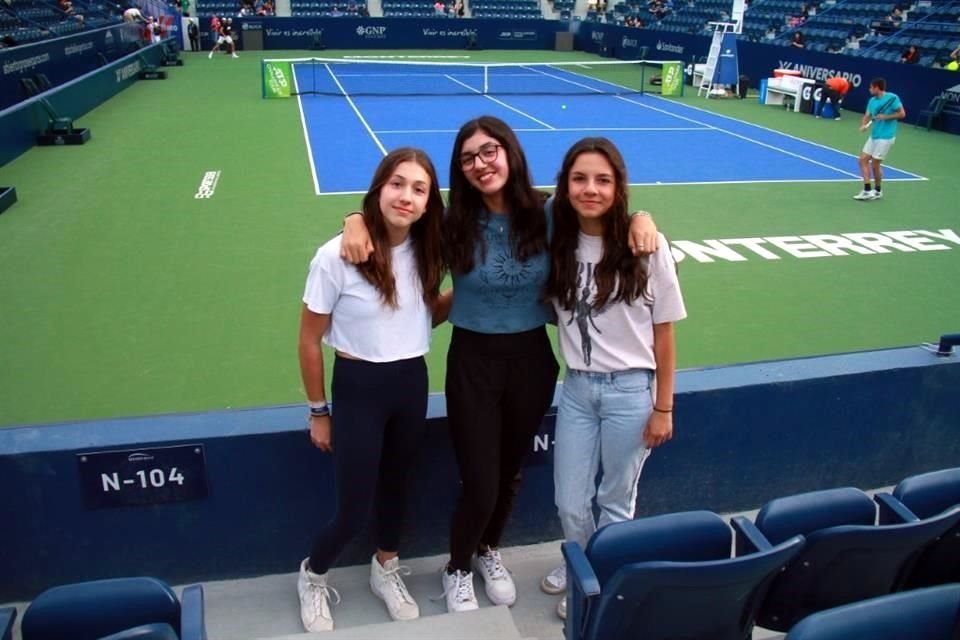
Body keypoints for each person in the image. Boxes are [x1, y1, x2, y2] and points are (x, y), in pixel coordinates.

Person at [341, 115, 660, 614]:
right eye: (468, 158)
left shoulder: (550, 214)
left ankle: (489, 549)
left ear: (509, 152)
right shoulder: (451, 223)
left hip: (532, 360)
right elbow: (395, 216)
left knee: (510, 472)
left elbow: (605, 214)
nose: (480, 164)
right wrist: (354, 220)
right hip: (473, 361)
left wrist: (643, 217)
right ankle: (458, 567)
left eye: (489, 151)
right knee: (481, 479)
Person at [296, 148, 449, 632]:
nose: (406, 196)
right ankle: (313, 574)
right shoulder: (335, 255)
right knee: (353, 509)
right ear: (379, 188)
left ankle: (385, 569)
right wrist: (320, 411)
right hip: (359, 387)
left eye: (419, 189)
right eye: (397, 184)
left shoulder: (431, 250)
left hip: (411, 381)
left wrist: (464, 290)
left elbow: (426, 315)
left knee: (398, 490)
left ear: (429, 203)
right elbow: (307, 339)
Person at [539, 138, 685, 620]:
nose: (590, 189)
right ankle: (579, 560)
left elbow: (663, 332)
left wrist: (663, 406)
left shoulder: (646, 244)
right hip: (577, 389)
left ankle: (601, 579)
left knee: (615, 499)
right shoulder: (555, 238)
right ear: (565, 186)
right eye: (579, 179)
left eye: (603, 180)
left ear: (619, 186)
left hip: (630, 392)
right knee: (570, 500)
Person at [854, 78, 906, 201]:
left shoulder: (893, 98)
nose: (869, 89)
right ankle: (867, 190)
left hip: (886, 137)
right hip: (874, 135)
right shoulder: (872, 101)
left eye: (871, 87)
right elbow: (867, 115)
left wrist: (886, 117)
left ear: (877, 87)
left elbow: (902, 114)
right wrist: (863, 125)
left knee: (875, 165)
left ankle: (877, 190)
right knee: (862, 160)